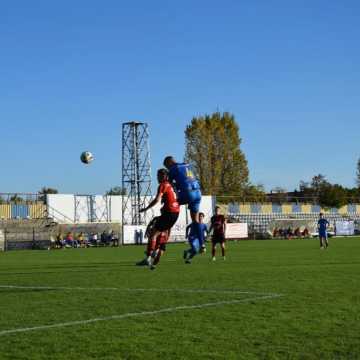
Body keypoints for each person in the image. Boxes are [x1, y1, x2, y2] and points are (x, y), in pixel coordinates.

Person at [136, 168, 180, 270]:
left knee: (153, 234)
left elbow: (157, 199)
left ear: (164, 176)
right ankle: (156, 251)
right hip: (175, 213)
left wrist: (146, 208)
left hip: (169, 212)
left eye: (158, 176)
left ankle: (149, 257)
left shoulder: (163, 185)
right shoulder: (172, 185)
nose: (157, 178)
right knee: (161, 233)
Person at [163, 156, 203, 245]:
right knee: (195, 221)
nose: (168, 169)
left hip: (188, 193)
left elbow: (167, 183)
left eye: (167, 166)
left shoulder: (173, 168)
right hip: (198, 192)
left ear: (169, 163)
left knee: (171, 206)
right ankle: (202, 243)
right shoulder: (186, 164)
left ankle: (165, 233)